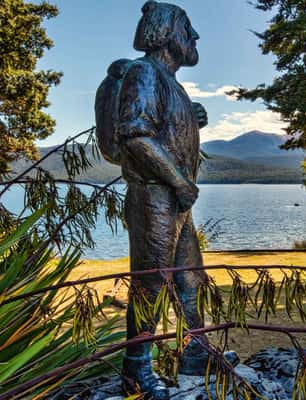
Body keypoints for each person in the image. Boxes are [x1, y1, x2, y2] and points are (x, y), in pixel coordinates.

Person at [117, 2, 210, 399]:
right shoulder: (143, 72)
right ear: (168, 31)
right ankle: (136, 369)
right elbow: (136, 137)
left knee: (190, 279)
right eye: (187, 28)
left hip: (177, 201)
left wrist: (191, 115)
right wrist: (179, 182)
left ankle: (197, 355)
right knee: (151, 282)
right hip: (155, 196)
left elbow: (164, 128)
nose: (195, 37)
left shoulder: (172, 84)